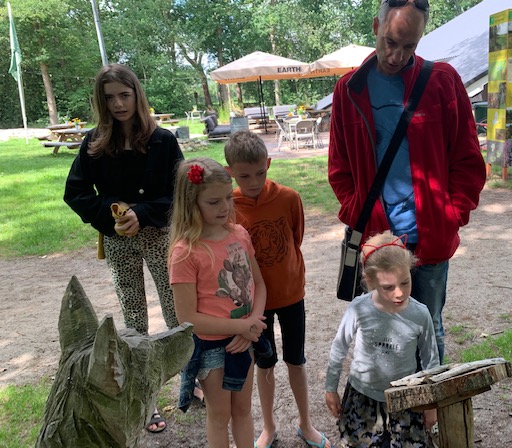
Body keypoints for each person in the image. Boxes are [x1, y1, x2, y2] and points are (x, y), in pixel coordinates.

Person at [327, 0, 486, 364]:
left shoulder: (442, 81)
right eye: (390, 41)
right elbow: (339, 170)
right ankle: (392, 416)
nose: (397, 55)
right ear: (375, 25)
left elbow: (468, 161)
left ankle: (427, 416)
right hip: (379, 241)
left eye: (409, 46)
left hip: (429, 239)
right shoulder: (349, 90)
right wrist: (359, 216)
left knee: (428, 328)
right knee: (381, 333)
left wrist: (451, 216)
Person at [64, 63, 184, 433]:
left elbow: (180, 193)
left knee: (176, 309)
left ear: (137, 95)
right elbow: (76, 193)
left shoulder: (162, 140)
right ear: (101, 101)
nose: (118, 104)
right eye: (109, 97)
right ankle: (145, 397)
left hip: (159, 235)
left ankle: (191, 379)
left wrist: (143, 213)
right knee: (133, 320)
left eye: (124, 95)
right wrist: (111, 212)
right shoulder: (95, 143)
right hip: (118, 241)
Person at [224, 131, 332, 448]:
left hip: (290, 295)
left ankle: (306, 424)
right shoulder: (228, 205)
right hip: (254, 303)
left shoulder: (289, 198)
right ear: (230, 172)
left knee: (296, 360)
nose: (253, 180)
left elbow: (294, 238)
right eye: (244, 175)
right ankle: (269, 427)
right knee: (265, 364)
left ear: (269, 164)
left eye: (260, 172)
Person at [168, 157, 268, 448]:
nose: (225, 207)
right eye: (213, 202)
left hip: (246, 338)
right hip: (213, 347)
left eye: (227, 197)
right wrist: (243, 325)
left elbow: (259, 284)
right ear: (191, 203)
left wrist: (252, 326)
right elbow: (187, 317)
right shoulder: (185, 252)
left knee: (243, 410)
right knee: (220, 414)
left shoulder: (239, 234)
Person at [325, 231, 439, 446]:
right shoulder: (359, 309)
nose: (399, 293)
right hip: (362, 396)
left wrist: (431, 404)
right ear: (370, 280)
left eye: (405, 282)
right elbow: (339, 348)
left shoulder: (420, 314)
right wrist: (330, 388)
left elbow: (431, 361)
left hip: (406, 397)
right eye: (388, 287)